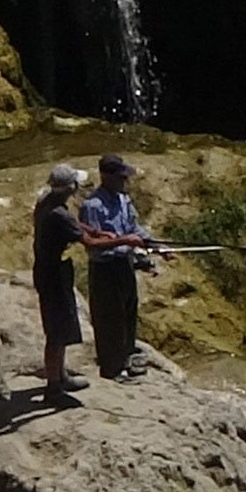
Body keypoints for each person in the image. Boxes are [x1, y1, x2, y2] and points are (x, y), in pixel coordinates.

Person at [75, 153, 161, 381]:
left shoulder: (124, 200)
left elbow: (135, 228)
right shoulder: (93, 205)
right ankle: (112, 369)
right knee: (109, 319)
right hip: (105, 269)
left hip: (124, 265)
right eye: (120, 177)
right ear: (106, 176)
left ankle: (127, 358)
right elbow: (94, 247)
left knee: (128, 312)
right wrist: (124, 241)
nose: (124, 181)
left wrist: (157, 246)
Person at [31, 163, 91, 392]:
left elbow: (74, 226)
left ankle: (60, 374)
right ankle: (54, 387)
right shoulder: (59, 215)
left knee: (59, 328)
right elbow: (89, 242)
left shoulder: (46, 202)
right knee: (57, 332)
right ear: (70, 187)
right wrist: (125, 240)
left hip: (46, 271)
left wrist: (90, 229)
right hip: (54, 276)